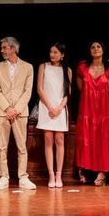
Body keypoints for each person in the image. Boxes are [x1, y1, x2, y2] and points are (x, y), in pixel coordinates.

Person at [0, 36, 36, 190]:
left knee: (21, 145)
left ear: (14, 49)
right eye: (2, 48)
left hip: (20, 112)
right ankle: (3, 177)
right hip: (3, 111)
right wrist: (7, 108)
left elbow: (27, 91)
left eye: (5, 47)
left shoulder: (28, 67)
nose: (2, 50)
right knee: (2, 146)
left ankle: (23, 176)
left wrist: (16, 109)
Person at [75, 41, 109, 186]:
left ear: (103, 50)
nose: (95, 49)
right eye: (92, 47)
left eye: (98, 46)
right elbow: (81, 87)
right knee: (86, 139)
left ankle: (103, 172)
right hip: (87, 109)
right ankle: (85, 171)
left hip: (104, 111)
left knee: (104, 140)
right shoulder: (82, 67)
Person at [36, 43, 71, 188]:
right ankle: (51, 174)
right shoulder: (43, 67)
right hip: (46, 106)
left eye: (56, 52)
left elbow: (67, 93)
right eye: (51, 52)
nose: (52, 55)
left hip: (60, 107)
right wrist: (50, 106)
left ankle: (58, 174)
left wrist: (59, 107)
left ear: (62, 55)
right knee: (48, 138)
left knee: (60, 139)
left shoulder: (67, 70)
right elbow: (39, 89)